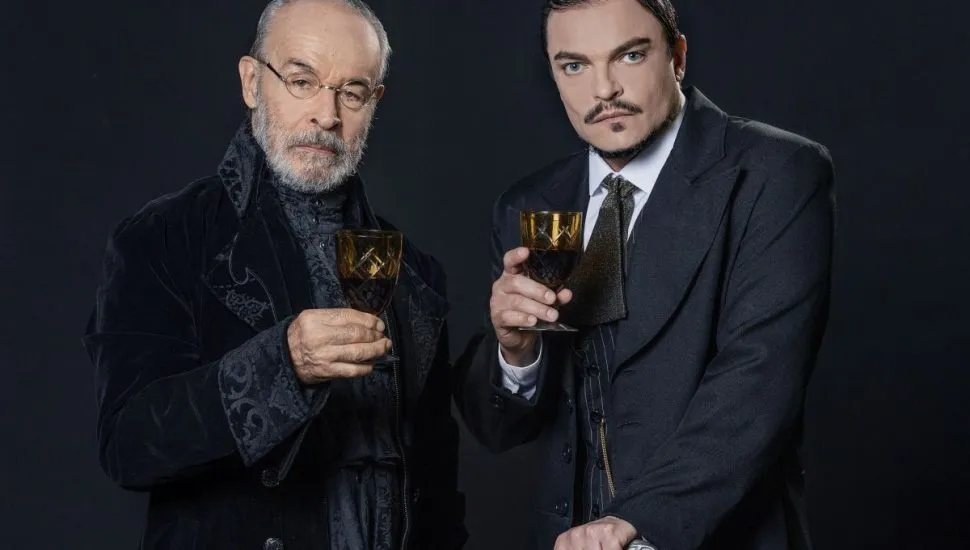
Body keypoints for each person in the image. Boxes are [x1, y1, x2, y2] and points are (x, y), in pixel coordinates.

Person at [82, 1, 466, 548]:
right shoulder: (163, 236)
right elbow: (130, 446)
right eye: (302, 81)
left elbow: (439, 491)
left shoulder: (413, 271)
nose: (326, 115)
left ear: (374, 102)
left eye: (352, 92)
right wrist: (283, 364)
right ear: (251, 82)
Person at [453, 0, 835, 549]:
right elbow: (498, 429)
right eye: (575, 65)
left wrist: (638, 521)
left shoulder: (775, 173)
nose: (604, 89)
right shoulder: (526, 205)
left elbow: (757, 384)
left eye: (629, 56)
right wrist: (516, 353)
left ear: (677, 56)